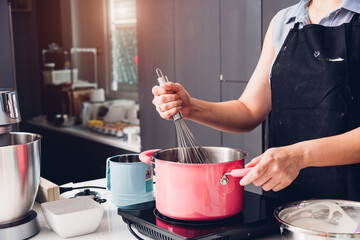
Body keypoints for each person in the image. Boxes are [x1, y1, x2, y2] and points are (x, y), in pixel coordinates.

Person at [152, 0, 360, 203]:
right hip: (286, 201)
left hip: (351, 204)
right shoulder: (284, 22)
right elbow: (248, 110)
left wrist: (299, 156)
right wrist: (190, 107)